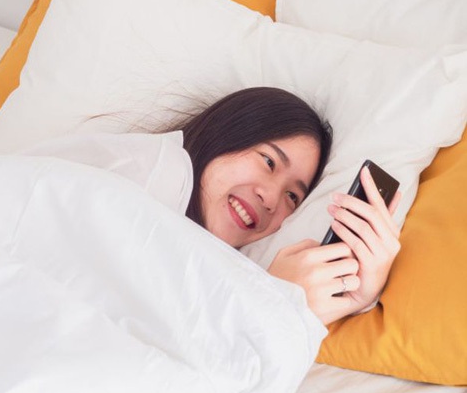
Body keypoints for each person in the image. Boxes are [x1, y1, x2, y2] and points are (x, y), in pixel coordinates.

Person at [172, 87, 401, 325]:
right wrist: (270, 302)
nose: (271, 199)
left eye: (292, 196)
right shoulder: (148, 182)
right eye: (268, 161)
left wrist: (355, 300)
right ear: (221, 133)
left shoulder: (214, 290)